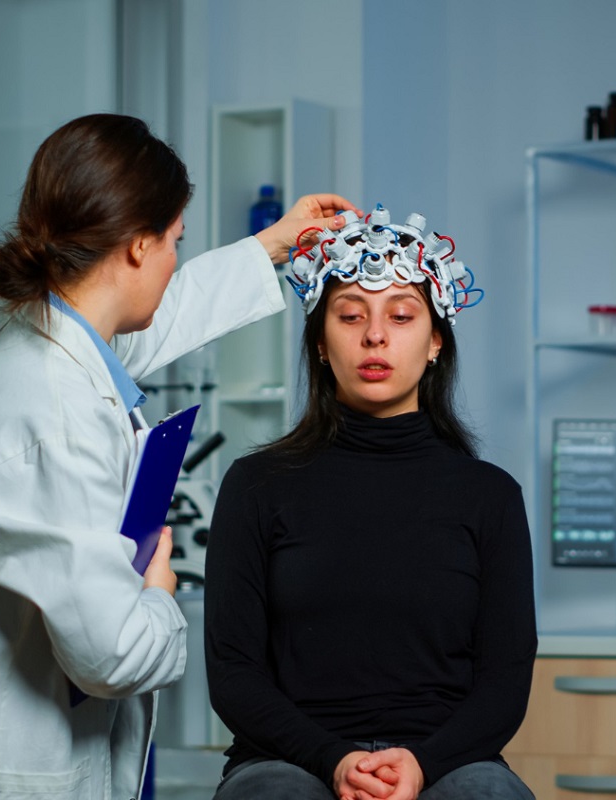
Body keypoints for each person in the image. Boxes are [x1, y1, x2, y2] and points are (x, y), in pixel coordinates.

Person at [0, 112, 356, 800]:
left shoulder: (8, 331)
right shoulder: (52, 410)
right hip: (0, 773)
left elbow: (145, 324)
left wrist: (270, 248)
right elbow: (112, 654)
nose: (175, 261)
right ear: (135, 246)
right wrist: (161, 590)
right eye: (174, 241)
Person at [205, 204, 538, 800]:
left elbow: (505, 681)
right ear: (322, 347)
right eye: (351, 316)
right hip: (290, 757)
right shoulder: (257, 485)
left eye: (402, 315)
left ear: (436, 341)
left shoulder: (490, 496)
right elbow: (233, 673)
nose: (375, 334)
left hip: (447, 760)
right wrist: (333, 761)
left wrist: (423, 763)